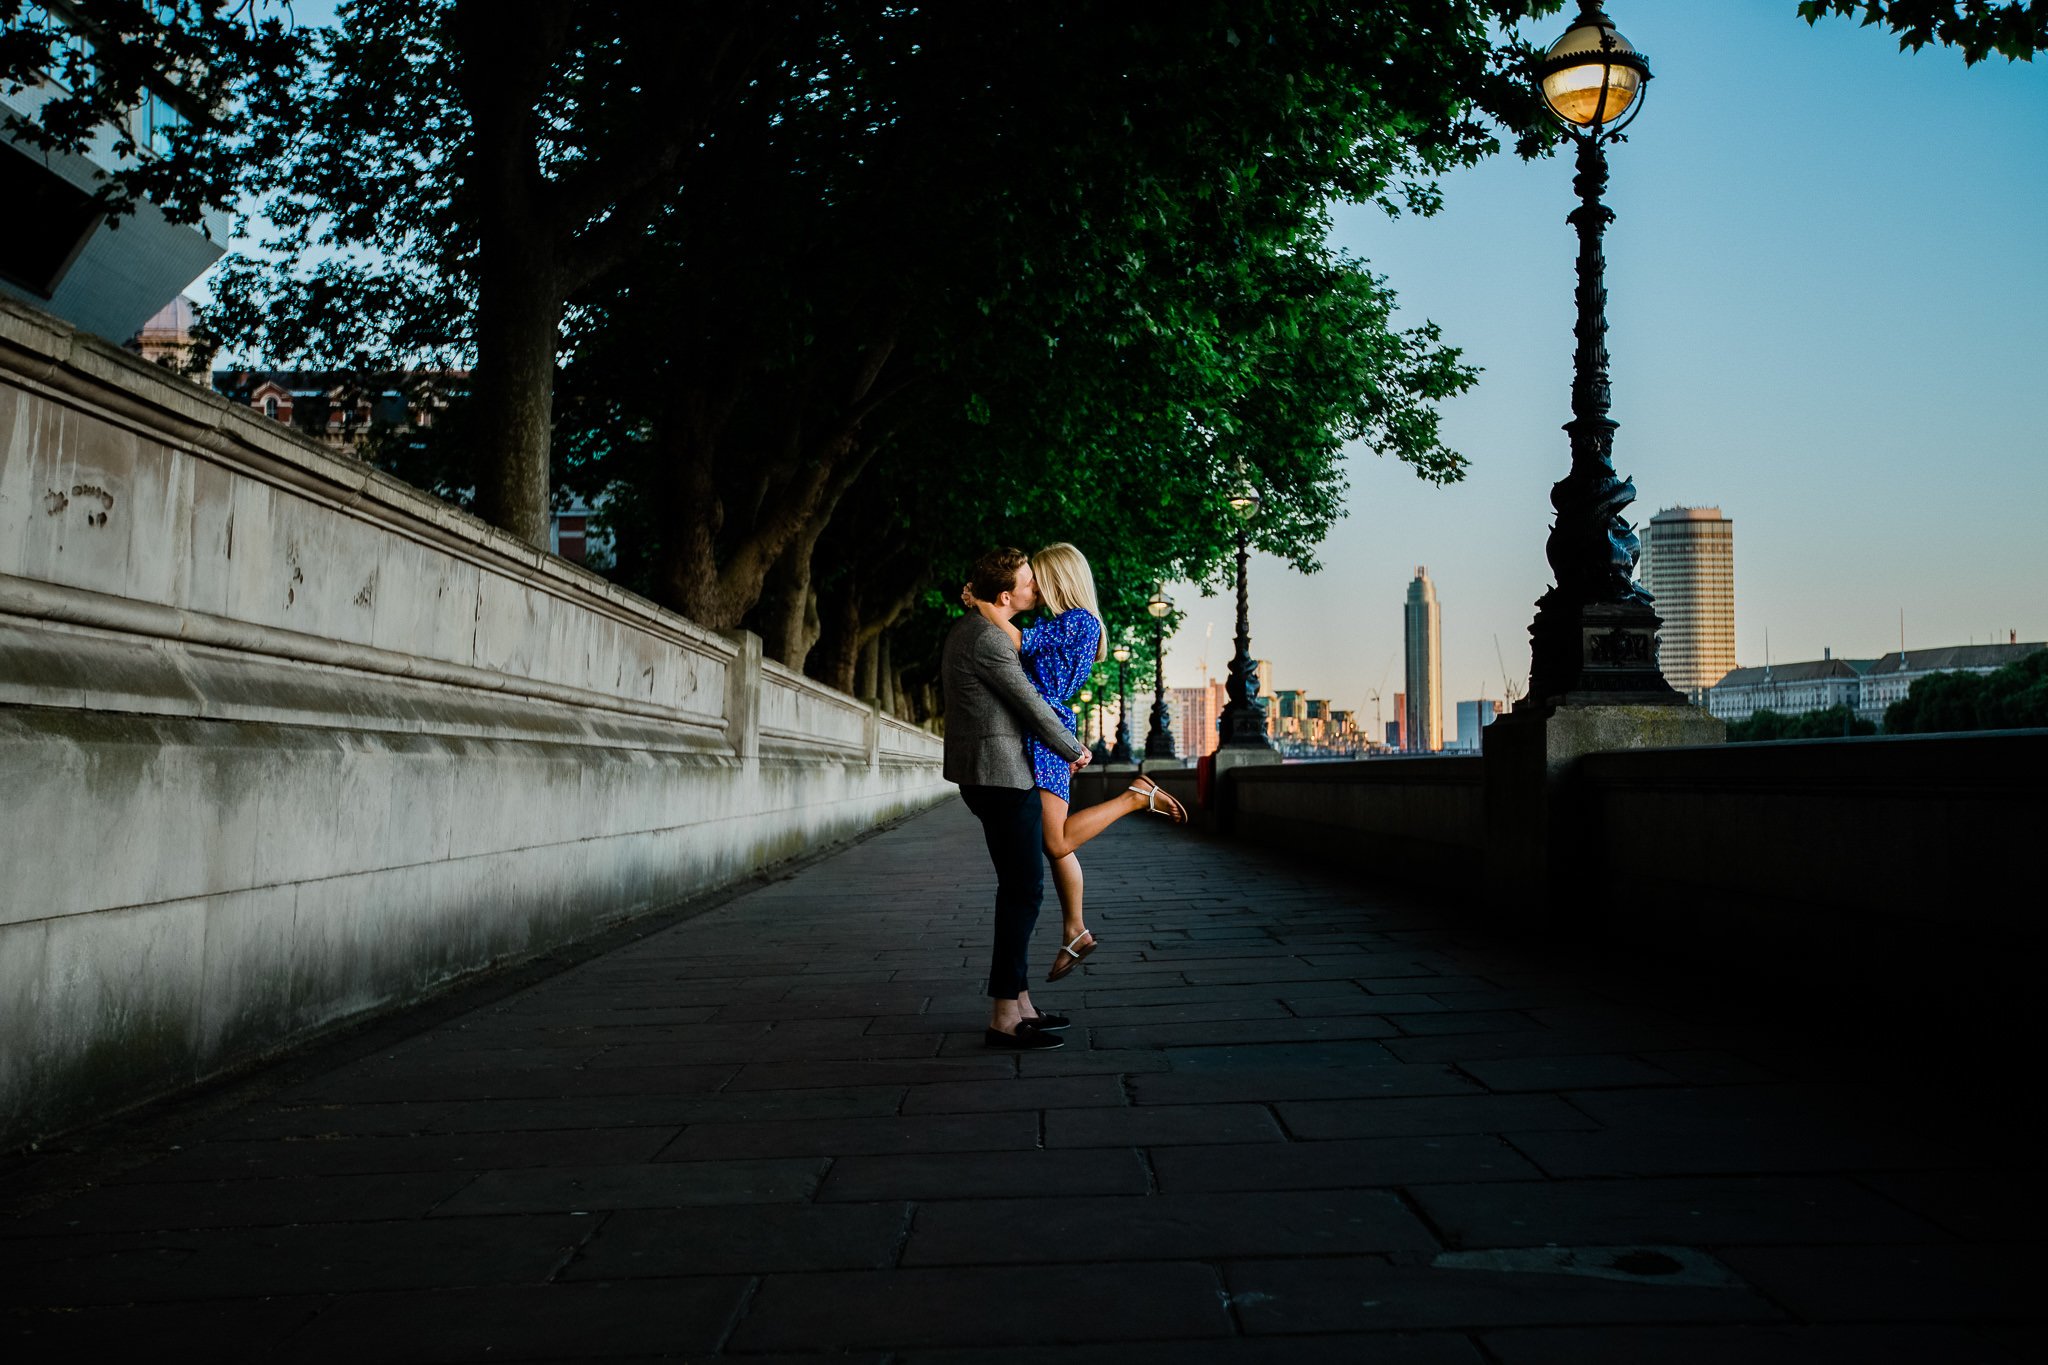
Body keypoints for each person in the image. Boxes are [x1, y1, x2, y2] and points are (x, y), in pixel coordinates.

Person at [964, 542, 1188, 983]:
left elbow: (1017, 640)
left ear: (1059, 580)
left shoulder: (1077, 622)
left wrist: (980, 603)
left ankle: (1136, 797)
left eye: (1039, 580)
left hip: (1046, 735)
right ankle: (1075, 930)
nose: (1035, 589)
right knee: (1055, 844)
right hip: (1044, 731)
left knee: (1057, 840)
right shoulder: (1070, 623)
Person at [942, 547, 1091, 1051]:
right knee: (1023, 891)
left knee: (1020, 888)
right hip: (1002, 778)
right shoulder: (988, 639)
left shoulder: (974, 628)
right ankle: (1005, 1015)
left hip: (991, 775)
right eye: (1029, 582)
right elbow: (1031, 706)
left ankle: (1021, 1004)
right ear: (1007, 595)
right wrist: (1074, 748)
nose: (1038, 589)